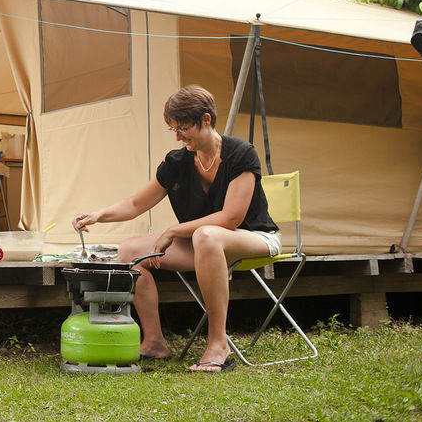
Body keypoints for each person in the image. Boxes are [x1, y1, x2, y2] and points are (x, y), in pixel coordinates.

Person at [72, 85, 280, 373]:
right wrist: (98, 215)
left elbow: (231, 218)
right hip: (202, 244)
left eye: (183, 128)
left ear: (206, 120)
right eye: (174, 130)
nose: (179, 136)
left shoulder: (240, 154)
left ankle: (218, 343)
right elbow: (134, 203)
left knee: (205, 234)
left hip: (253, 237)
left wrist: (173, 230)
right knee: (131, 251)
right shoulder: (177, 162)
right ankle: (154, 342)